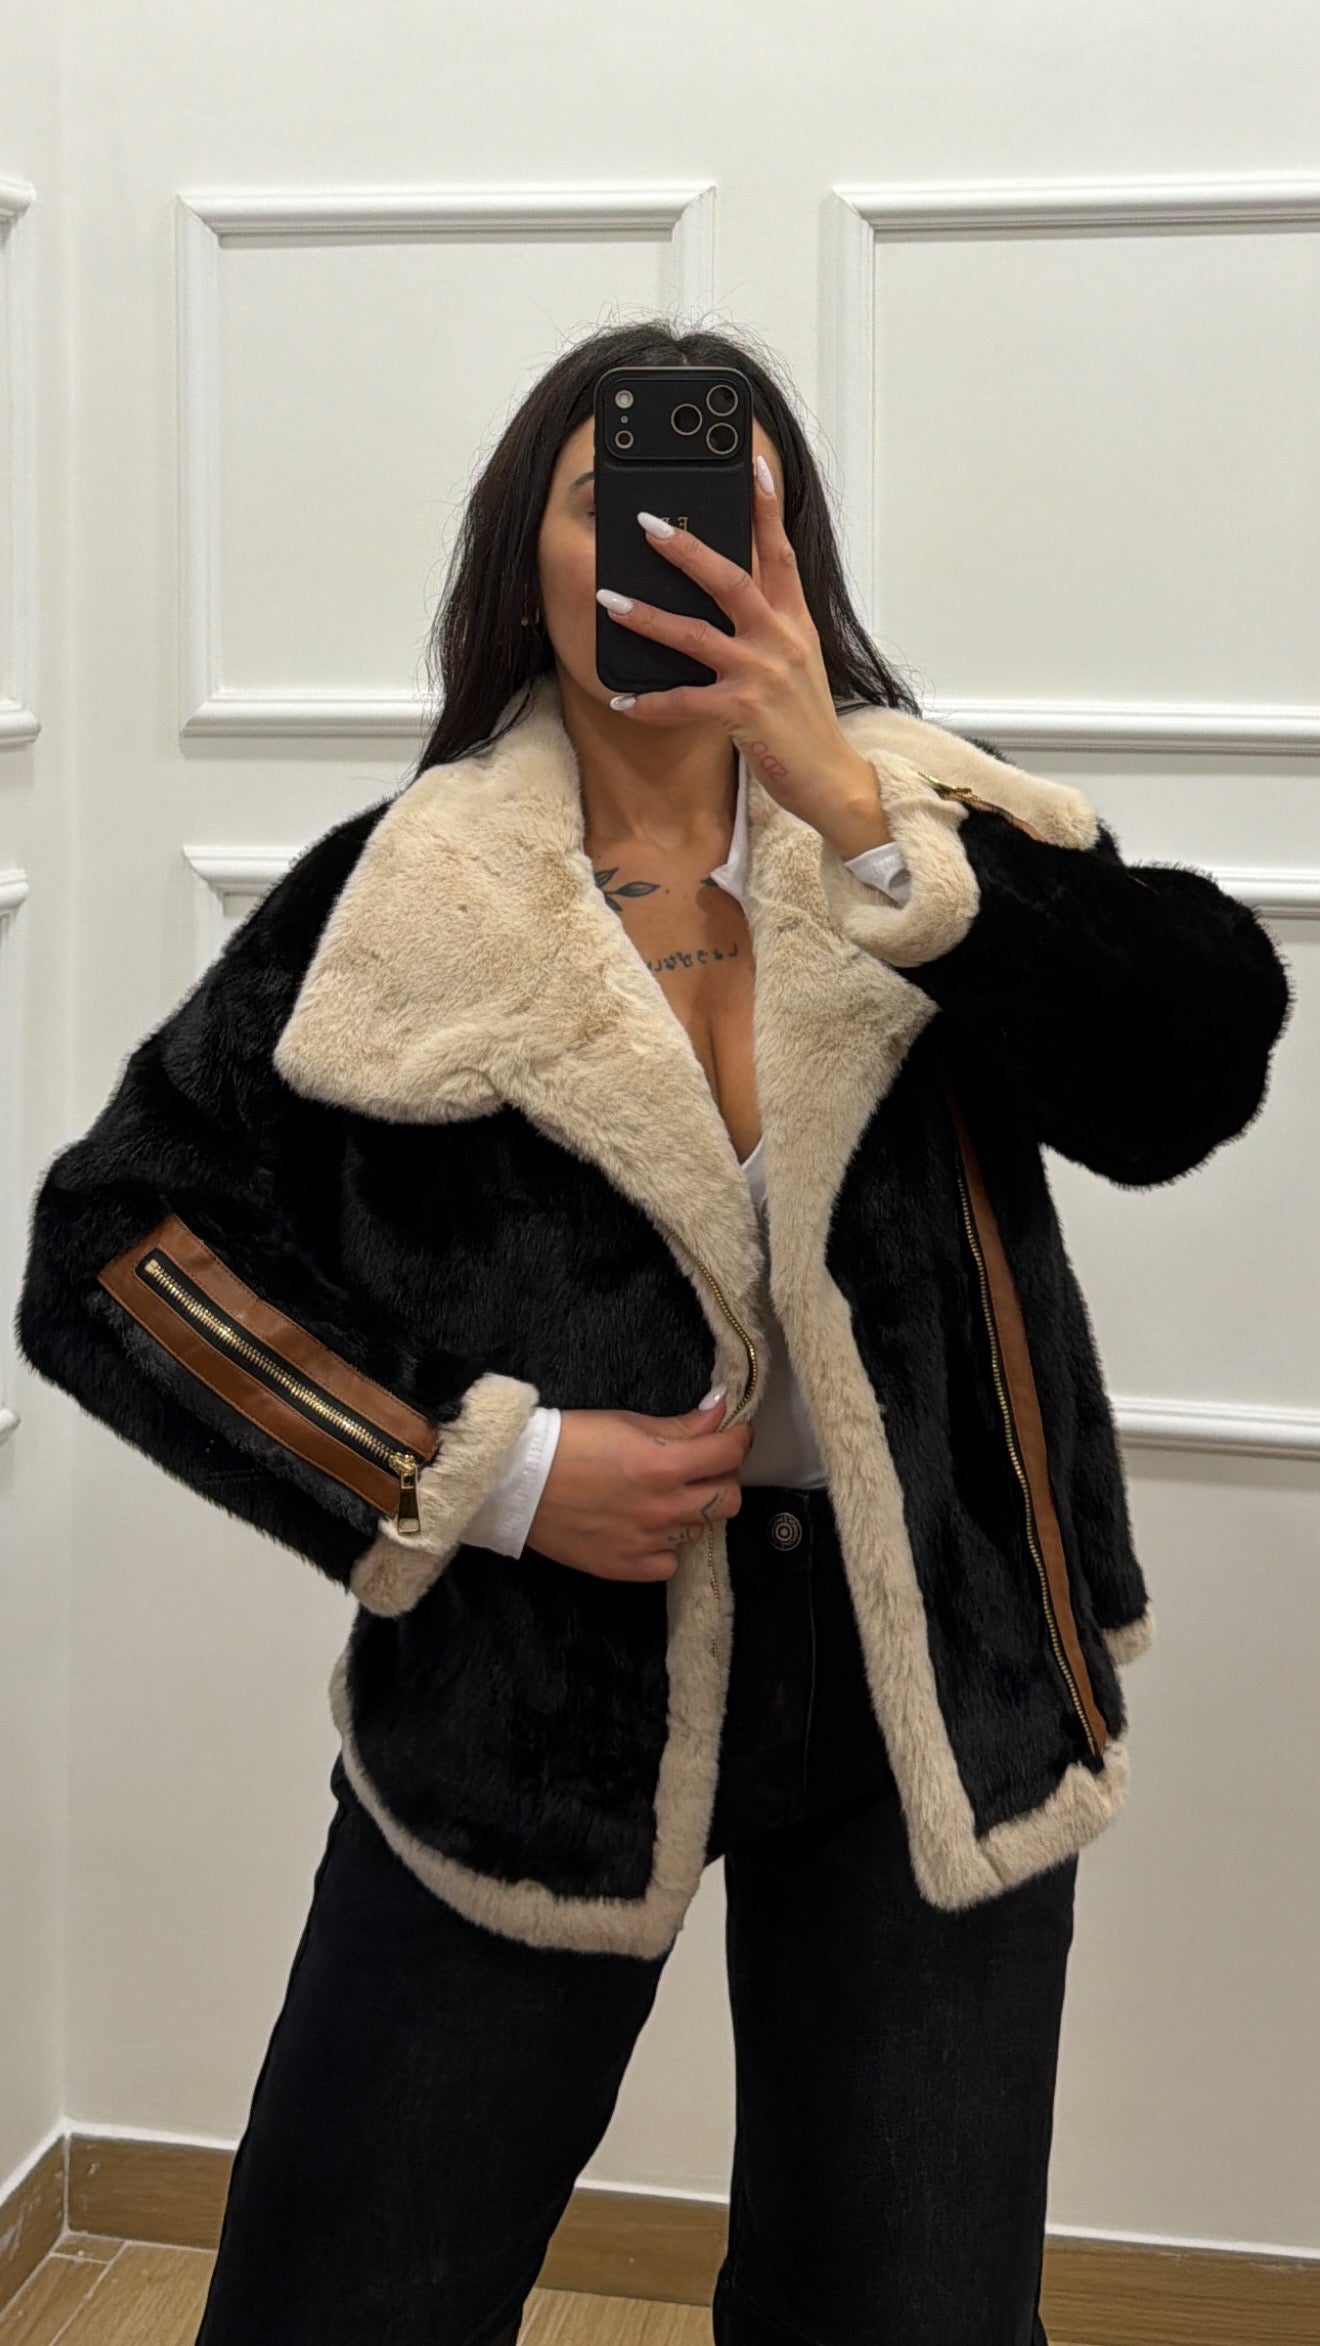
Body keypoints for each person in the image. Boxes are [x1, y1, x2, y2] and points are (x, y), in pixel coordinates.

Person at [15, 320, 1292, 2345]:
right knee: (345, 2292)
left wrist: (847, 799)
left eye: (724, 499)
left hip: (930, 1674)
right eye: (609, 499)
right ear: (523, 554)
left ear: (793, 555)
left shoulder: (929, 832)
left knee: (910, 2315)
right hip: (530, 1692)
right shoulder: (407, 899)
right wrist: (492, 1472)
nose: (669, 538)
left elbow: (1187, 1069)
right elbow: (111, 1255)